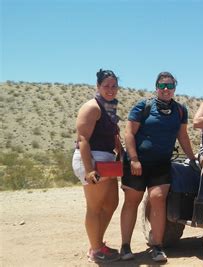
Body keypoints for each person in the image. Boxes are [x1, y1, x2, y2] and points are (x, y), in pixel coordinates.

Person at [120, 71, 196, 263]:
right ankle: (125, 246)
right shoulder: (143, 106)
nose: (166, 89)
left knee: (158, 200)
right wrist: (134, 159)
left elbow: (183, 136)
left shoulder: (180, 110)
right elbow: (129, 133)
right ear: (156, 87)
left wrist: (193, 159)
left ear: (174, 89)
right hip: (137, 163)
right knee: (132, 202)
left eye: (170, 86)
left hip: (161, 164)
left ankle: (157, 246)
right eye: (162, 86)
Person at [72, 69, 121, 263]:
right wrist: (90, 169)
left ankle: (98, 243)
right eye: (106, 86)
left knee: (111, 204)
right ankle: (95, 249)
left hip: (107, 161)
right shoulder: (92, 107)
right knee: (94, 207)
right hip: (91, 160)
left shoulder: (109, 107)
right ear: (98, 86)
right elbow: (82, 139)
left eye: (114, 86)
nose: (110, 89)